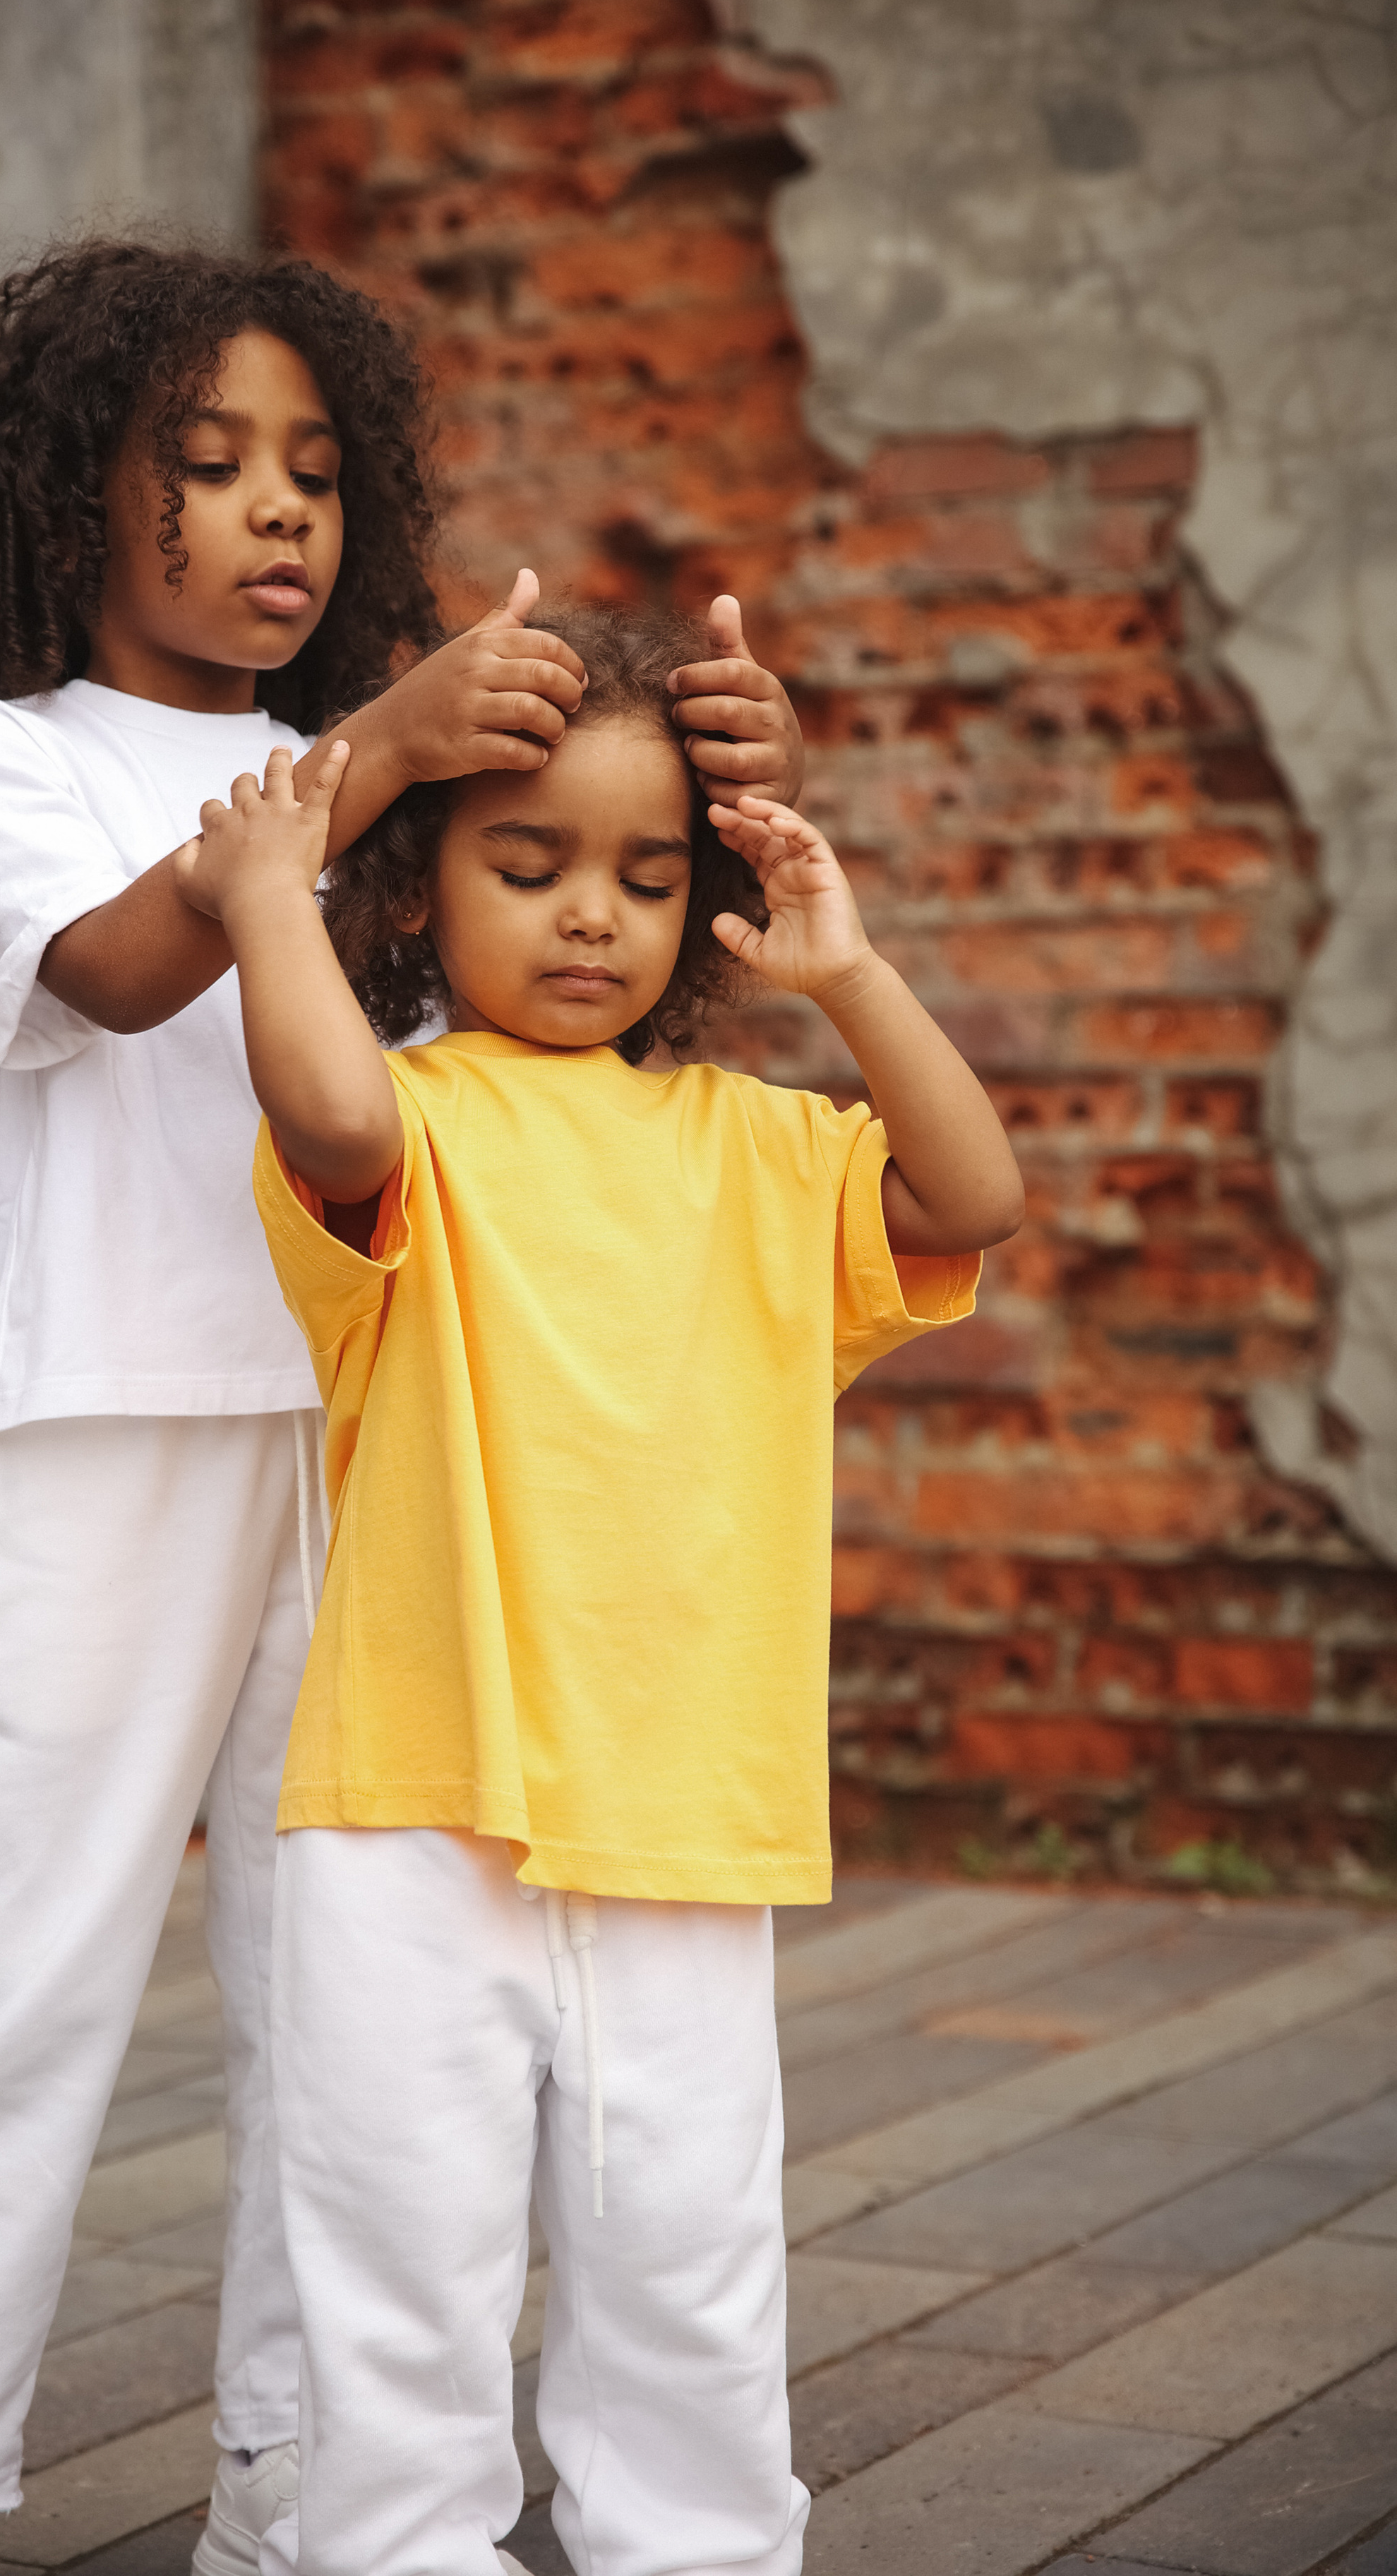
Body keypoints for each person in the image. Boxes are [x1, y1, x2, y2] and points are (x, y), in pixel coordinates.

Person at [0, 244, 807, 2576]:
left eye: (316, 476)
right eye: (205, 467)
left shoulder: (392, 775)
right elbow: (136, 966)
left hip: (390, 1450)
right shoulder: (10, 757)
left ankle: (297, 2471)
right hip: (109, 1431)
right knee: (15, 1965)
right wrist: (391, 746)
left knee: (339, 2015)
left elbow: (584, 939)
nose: (276, 517)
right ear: (62, 499)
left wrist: (734, 773)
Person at [188, 603, 1024, 2576]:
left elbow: (975, 1199)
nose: (591, 917)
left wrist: (855, 973)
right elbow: (317, 1105)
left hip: (683, 1819)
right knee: (403, 2274)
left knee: (690, 2278)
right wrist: (265, 899)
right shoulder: (417, 1126)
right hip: (414, 1812)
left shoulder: (767, 1149)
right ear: (420, 886)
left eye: (651, 878)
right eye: (528, 861)